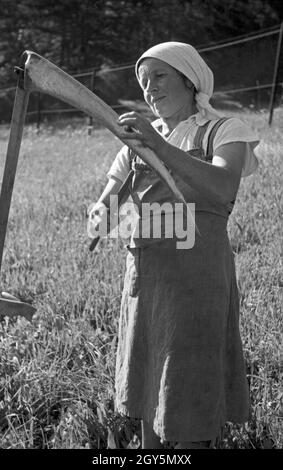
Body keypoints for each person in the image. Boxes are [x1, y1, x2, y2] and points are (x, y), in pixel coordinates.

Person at [88, 42, 260, 449]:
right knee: (150, 391)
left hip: (197, 286)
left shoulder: (224, 130)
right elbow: (104, 214)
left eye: (159, 77)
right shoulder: (133, 145)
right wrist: (100, 216)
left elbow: (222, 188)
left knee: (190, 395)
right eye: (144, 83)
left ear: (189, 78)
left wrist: (157, 147)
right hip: (146, 285)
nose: (150, 89)